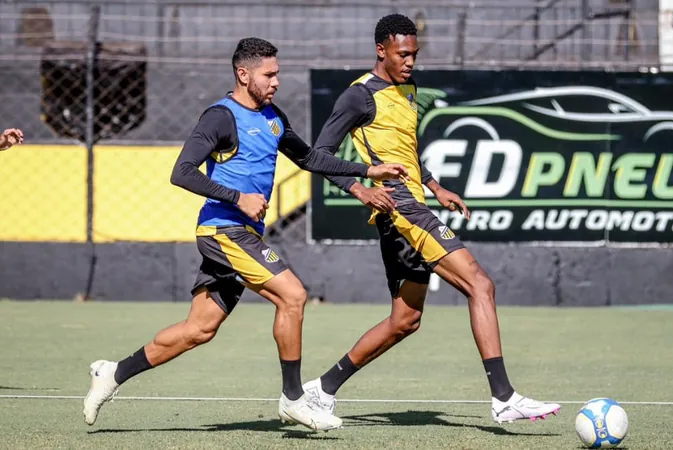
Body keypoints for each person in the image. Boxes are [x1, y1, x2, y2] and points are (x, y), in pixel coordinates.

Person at [82, 37, 408, 431]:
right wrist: (238, 197)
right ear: (243, 74)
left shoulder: (272, 116)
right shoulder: (220, 117)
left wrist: (366, 172)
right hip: (224, 230)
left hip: (242, 232)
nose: (275, 81)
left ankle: (113, 373)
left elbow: (307, 157)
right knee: (294, 295)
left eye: (277, 74)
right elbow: (181, 172)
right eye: (268, 74)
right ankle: (293, 399)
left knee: (198, 330)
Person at [302, 14, 561, 424]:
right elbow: (318, 156)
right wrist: (360, 189)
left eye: (414, 54)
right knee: (480, 284)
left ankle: (322, 388)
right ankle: (504, 397)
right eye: (402, 54)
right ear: (380, 50)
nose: (410, 61)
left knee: (405, 321)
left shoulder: (407, 88)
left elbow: (405, 149)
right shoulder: (358, 96)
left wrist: (435, 185)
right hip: (402, 212)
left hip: (414, 205)